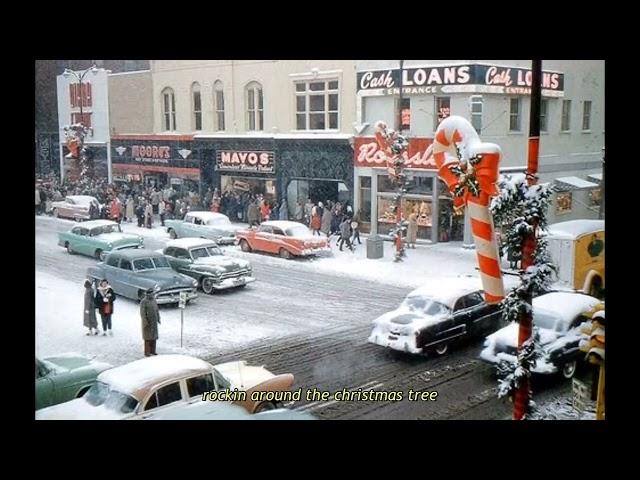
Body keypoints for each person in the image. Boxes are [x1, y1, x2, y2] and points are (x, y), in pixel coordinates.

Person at [140, 288, 160, 356]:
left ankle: (153, 351)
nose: (153, 295)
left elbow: (157, 310)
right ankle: (147, 352)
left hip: (154, 321)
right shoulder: (144, 301)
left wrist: (158, 318)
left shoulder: (154, 300)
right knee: (147, 338)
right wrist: (145, 322)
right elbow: (142, 313)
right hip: (148, 322)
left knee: (154, 337)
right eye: (152, 294)